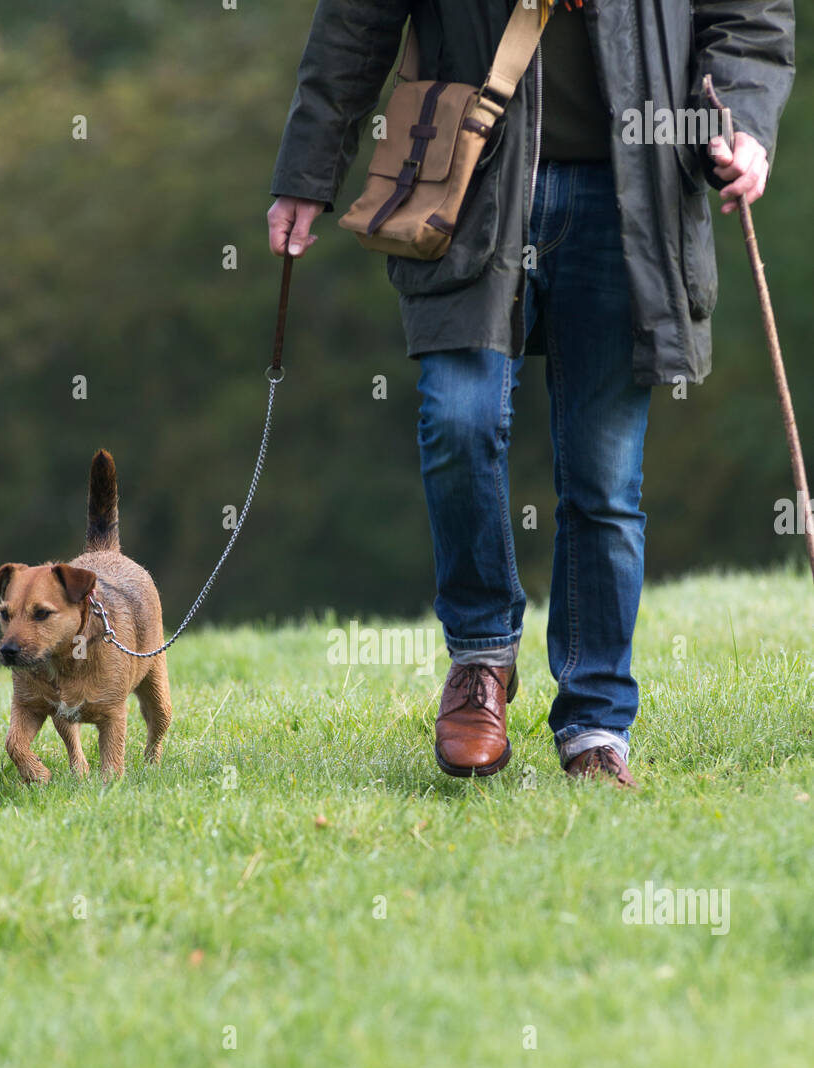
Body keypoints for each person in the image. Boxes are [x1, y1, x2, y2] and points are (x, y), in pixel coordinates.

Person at [268, 0, 795, 788]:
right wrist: (308, 171)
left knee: (605, 482)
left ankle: (596, 724)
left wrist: (741, 120)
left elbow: (747, 15)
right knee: (459, 416)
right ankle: (481, 660)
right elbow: (357, 17)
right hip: (467, 179)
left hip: (636, 196)